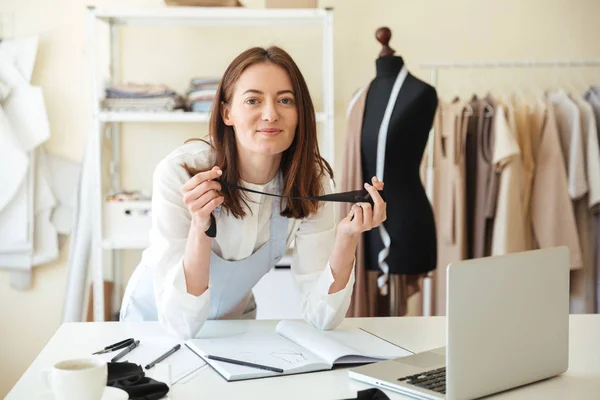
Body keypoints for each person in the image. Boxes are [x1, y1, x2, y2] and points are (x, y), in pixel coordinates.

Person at [120, 46, 386, 339]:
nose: (270, 114)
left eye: (285, 100)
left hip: (233, 329)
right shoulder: (181, 173)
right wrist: (200, 227)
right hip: (154, 326)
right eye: (253, 100)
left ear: (300, 113)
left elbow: (323, 316)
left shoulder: (312, 182)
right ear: (227, 113)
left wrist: (346, 237)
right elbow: (179, 324)